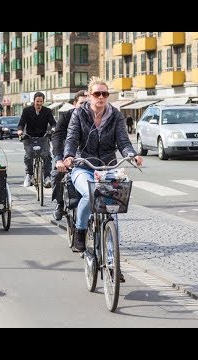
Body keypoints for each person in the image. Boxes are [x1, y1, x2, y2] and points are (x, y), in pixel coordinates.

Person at [63, 76, 143, 258]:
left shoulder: (115, 115)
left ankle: (112, 259)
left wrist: (132, 155)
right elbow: (72, 138)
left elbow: (123, 141)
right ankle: (80, 230)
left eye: (104, 94)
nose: (101, 97)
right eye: (97, 93)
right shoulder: (79, 114)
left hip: (108, 167)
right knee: (88, 193)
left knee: (112, 211)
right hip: (83, 165)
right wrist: (68, 156)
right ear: (90, 95)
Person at [51, 90, 88, 220]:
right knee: (57, 174)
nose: (85, 106)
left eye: (87, 103)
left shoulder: (93, 117)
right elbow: (57, 137)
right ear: (74, 103)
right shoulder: (66, 116)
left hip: (84, 155)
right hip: (64, 152)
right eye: (82, 103)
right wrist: (59, 159)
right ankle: (60, 204)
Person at [17, 91, 56, 188]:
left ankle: (47, 177)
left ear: (43, 102)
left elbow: (53, 123)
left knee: (47, 155)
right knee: (28, 156)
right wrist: (20, 131)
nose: (39, 103)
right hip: (30, 137)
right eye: (37, 101)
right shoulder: (27, 111)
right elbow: (21, 123)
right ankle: (29, 175)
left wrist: (53, 128)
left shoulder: (47, 111)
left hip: (43, 136)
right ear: (34, 101)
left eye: (41, 101)